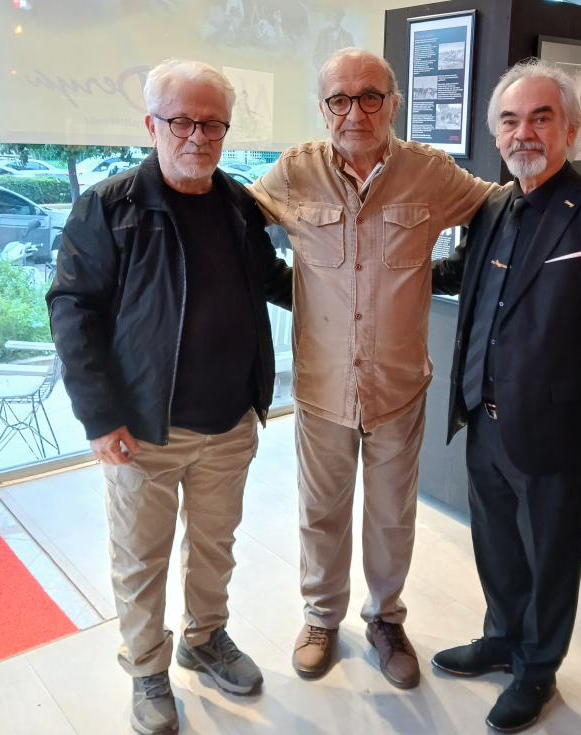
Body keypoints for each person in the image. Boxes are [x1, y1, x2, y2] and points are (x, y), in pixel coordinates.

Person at [46, 59, 292, 735]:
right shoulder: (110, 206)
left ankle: (204, 637)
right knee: (140, 556)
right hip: (143, 426)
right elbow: (72, 308)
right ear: (152, 125)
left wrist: (350, 298)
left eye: (213, 123)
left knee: (216, 545)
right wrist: (99, 416)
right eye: (182, 121)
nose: (198, 136)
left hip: (230, 421)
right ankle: (147, 667)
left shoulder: (239, 205)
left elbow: (271, 279)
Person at [248, 47, 498, 689]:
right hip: (322, 386)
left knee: (391, 515)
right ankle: (320, 618)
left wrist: (448, 275)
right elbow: (237, 227)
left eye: (369, 97)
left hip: (398, 386)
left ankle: (386, 619)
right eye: (339, 99)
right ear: (323, 107)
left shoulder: (430, 173)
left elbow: (497, 213)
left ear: (393, 104)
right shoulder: (294, 172)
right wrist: (291, 290)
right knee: (320, 511)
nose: (354, 112)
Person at [431, 59, 581, 732]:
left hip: (556, 427)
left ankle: (537, 667)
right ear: (496, 133)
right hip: (482, 417)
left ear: (570, 129)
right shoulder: (493, 206)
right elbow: (470, 279)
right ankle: (502, 637)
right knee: (497, 543)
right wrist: (390, 264)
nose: (522, 132)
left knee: (550, 556)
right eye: (509, 120)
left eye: (540, 117)